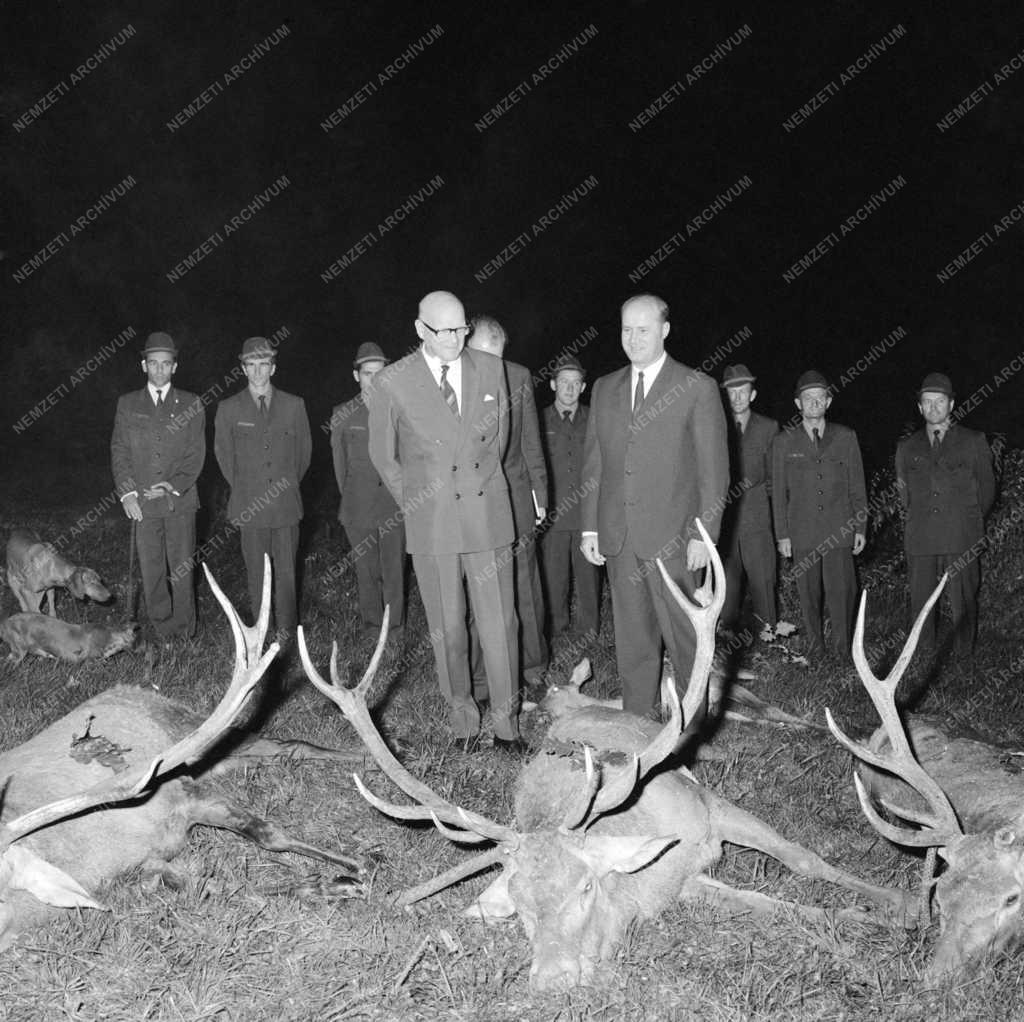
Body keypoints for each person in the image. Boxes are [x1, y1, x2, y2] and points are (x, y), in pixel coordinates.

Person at [367, 290, 524, 753]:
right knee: (448, 629)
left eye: (461, 329)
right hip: (433, 524)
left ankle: (508, 726)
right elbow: (384, 457)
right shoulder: (393, 382)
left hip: (487, 516)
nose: (455, 339)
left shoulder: (492, 369)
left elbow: (499, 443)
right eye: (444, 331)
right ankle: (463, 722)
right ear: (420, 329)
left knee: (500, 625)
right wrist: (422, 502)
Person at [581, 294, 729, 717]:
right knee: (633, 642)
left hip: (676, 540)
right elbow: (595, 463)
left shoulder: (696, 387)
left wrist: (703, 535)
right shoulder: (605, 388)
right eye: (626, 329)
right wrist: (590, 527)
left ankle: (693, 726)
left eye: (643, 330)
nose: (633, 338)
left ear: (664, 330)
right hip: (620, 538)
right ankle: (637, 726)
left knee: (685, 638)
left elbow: (714, 471)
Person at [467, 314, 548, 690]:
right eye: (482, 356)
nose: (491, 367)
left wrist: (539, 497)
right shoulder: (449, 379)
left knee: (525, 587)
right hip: (471, 504)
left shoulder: (518, 377)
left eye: (496, 358)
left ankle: (532, 666)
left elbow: (531, 441)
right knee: (477, 591)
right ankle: (481, 676)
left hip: (516, 500)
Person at [214, 337, 311, 646]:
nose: (258, 372)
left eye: (263, 364)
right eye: (251, 365)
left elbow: (303, 456)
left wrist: (283, 486)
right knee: (257, 575)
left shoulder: (294, 405)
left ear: (273, 367)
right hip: (250, 506)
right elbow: (224, 457)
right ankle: (261, 638)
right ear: (243, 369)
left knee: (287, 575)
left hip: (285, 507)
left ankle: (287, 640)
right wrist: (249, 488)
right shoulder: (228, 408)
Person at [111, 332, 205, 642]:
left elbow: (196, 454)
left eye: (166, 363)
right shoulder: (128, 404)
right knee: (152, 570)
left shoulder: (191, 403)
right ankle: (164, 629)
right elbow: (120, 450)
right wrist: (127, 493)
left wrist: (173, 485)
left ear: (175, 367)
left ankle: (185, 631)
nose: (160, 369)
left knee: (182, 569)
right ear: (144, 365)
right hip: (143, 503)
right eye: (153, 363)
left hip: (180, 500)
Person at [895, 372, 995, 657]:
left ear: (951, 405)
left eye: (940, 401)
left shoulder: (973, 440)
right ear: (919, 407)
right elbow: (904, 492)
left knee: (964, 599)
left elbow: (987, 489)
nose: (934, 407)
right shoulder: (907, 446)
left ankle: (964, 656)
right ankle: (922, 653)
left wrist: (969, 520)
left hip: (961, 533)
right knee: (921, 600)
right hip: (921, 535)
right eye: (927, 402)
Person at [772, 370, 866, 662]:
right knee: (809, 594)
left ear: (828, 401)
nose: (814, 402)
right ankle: (815, 648)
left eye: (819, 397)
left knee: (842, 593)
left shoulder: (846, 437)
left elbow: (857, 486)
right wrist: (782, 535)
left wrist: (861, 527)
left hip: (840, 530)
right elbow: (778, 493)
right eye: (808, 398)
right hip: (802, 532)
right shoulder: (784, 442)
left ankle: (843, 651)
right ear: (798, 404)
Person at [330, 342, 405, 640]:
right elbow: (340, 466)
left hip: (394, 505)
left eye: (380, 373)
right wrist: (353, 498)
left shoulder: (400, 409)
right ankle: (372, 627)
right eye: (367, 373)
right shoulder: (343, 413)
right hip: (358, 505)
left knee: (394, 569)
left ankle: (395, 629)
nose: (374, 380)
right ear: (356, 376)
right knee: (367, 570)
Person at [539, 354, 600, 642]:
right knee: (554, 577)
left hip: (588, 514)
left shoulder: (594, 419)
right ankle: (556, 627)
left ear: (583, 387)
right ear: (553, 384)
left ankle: (589, 631)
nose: (570, 388)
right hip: (553, 514)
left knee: (589, 577)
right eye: (564, 382)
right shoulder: (539, 420)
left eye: (576, 383)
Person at [719, 364, 779, 641]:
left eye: (743, 391)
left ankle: (770, 637)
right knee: (727, 584)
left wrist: (775, 520)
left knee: (763, 580)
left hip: (757, 519)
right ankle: (725, 637)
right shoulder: (716, 426)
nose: (738, 397)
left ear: (753, 395)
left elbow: (774, 477)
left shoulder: (768, 428)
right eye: (732, 392)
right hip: (725, 521)